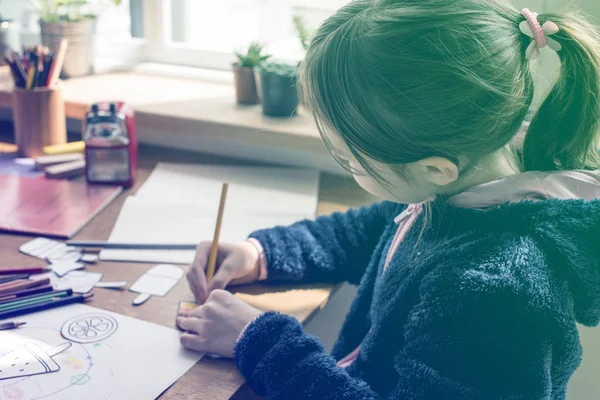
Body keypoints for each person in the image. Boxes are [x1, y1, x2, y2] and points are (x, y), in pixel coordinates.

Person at [176, 1, 600, 398]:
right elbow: (371, 229)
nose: (345, 166)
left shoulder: (493, 292)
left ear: (435, 168)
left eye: (348, 159)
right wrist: (262, 252)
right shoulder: (462, 188)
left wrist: (259, 339)